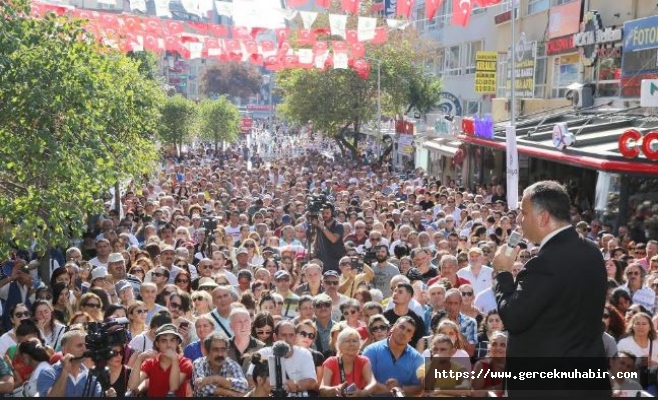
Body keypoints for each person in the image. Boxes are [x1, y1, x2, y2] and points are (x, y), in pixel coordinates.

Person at [492, 181, 610, 396]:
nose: (519, 219)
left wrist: (503, 274)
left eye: (524, 213)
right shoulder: (592, 252)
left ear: (543, 217)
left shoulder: (546, 263)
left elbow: (514, 317)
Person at [362, 316, 424, 396]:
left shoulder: (416, 358)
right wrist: (395, 391)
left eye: (409, 331)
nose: (404, 332)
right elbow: (365, 381)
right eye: (401, 327)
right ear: (392, 328)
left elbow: (419, 389)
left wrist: (400, 387)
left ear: (411, 337)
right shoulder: (371, 351)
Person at [127, 324, 193, 397]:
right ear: (157, 344)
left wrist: (174, 360)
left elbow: (173, 387)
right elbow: (132, 386)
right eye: (164, 341)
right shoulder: (150, 363)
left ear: (177, 342)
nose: (168, 345)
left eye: (172, 340)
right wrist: (139, 358)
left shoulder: (185, 363)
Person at [37, 330, 103, 397]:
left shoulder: (91, 377)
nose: (85, 349)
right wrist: (65, 371)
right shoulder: (49, 373)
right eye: (79, 345)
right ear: (64, 350)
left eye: (86, 345)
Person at [319, 327, 377, 396]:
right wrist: (335, 389)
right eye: (347, 341)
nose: (351, 344)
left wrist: (362, 393)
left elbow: (372, 383)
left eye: (355, 341)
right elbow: (322, 389)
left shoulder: (363, 361)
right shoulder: (331, 362)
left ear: (359, 345)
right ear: (339, 345)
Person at [192, 332, 249, 397]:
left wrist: (216, 379)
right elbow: (201, 387)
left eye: (223, 349)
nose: (220, 354)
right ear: (207, 352)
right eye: (215, 350)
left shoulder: (232, 365)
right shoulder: (199, 363)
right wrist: (232, 393)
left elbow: (244, 386)